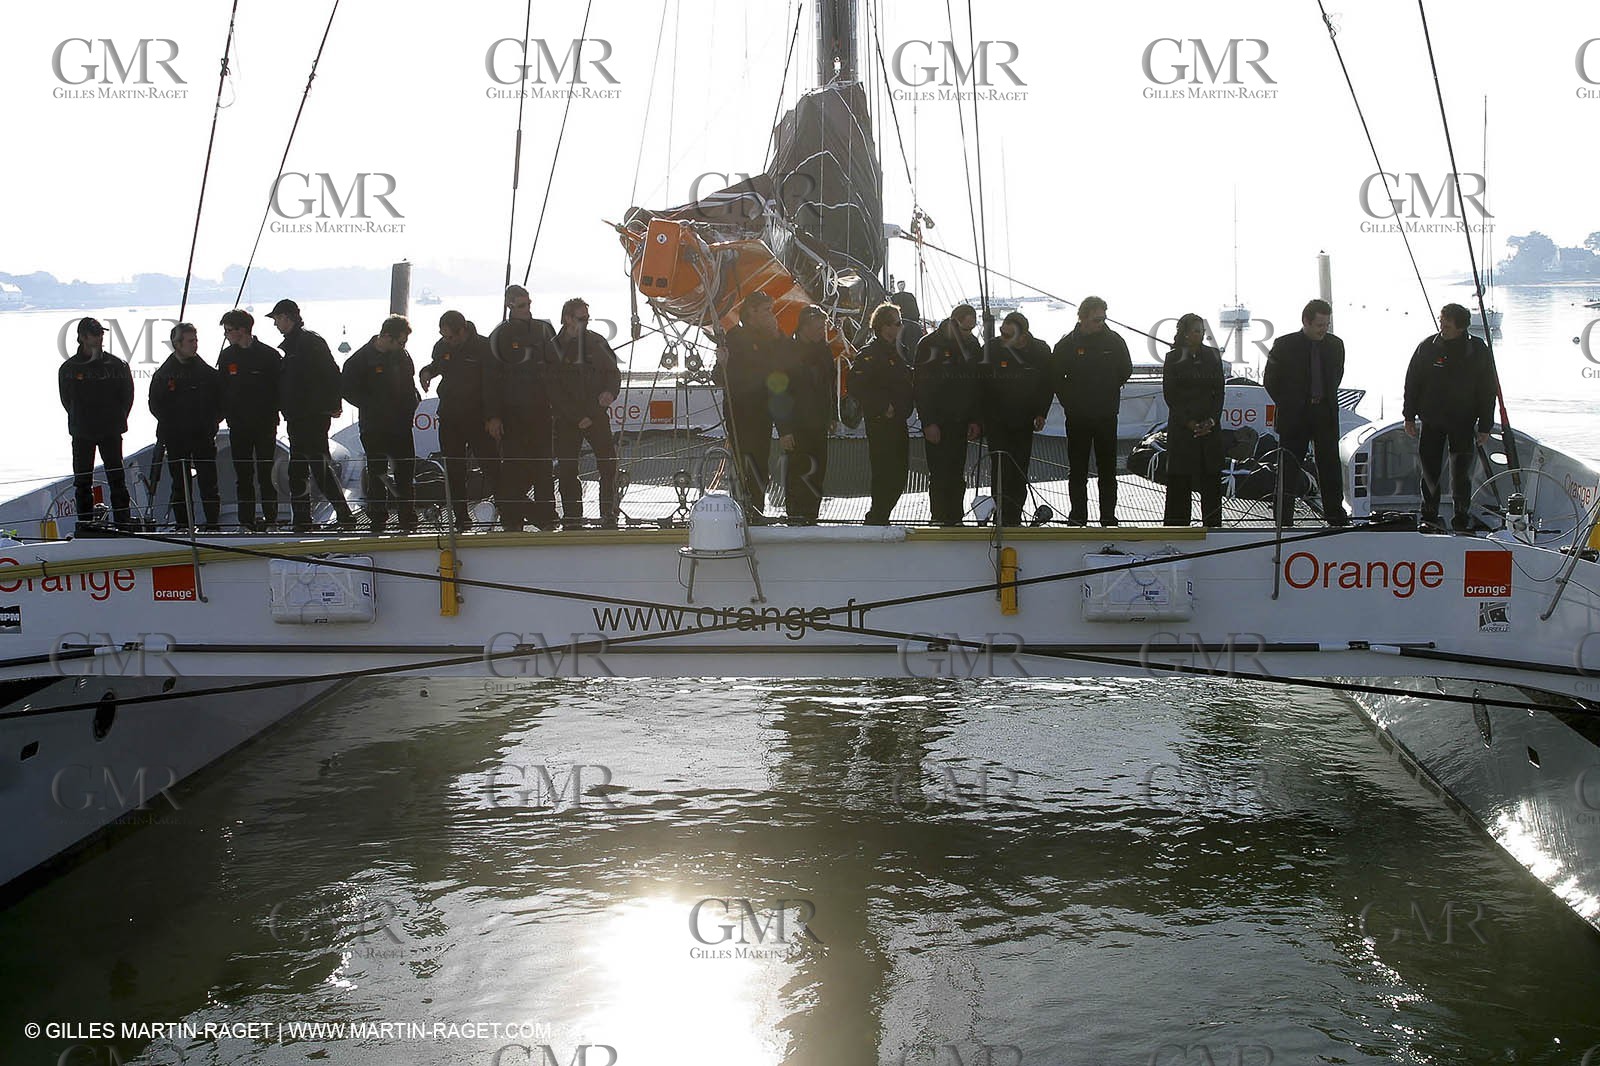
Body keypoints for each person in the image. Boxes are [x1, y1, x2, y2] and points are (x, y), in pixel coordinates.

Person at [1403, 302, 1497, 531]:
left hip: (1464, 422)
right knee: (1429, 471)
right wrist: (1409, 415)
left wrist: (1485, 425)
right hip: (1432, 420)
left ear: (1461, 326)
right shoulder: (1428, 346)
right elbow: (1412, 382)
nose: (1441, 325)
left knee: (1461, 472)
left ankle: (1461, 517)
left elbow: (1488, 389)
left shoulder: (1477, 350)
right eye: (1441, 320)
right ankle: (1429, 515)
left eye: (1446, 322)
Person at [270, 298, 356, 533]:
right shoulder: (294, 344)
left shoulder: (309, 342)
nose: (276, 325)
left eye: (277, 319)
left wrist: (332, 405)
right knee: (299, 468)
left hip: (312, 415)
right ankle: (302, 518)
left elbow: (331, 373)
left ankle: (343, 514)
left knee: (317, 465)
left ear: (287, 317)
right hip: (297, 416)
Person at [1264, 298, 1349, 527]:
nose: (1324, 329)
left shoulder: (1335, 345)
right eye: (1320, 325)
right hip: (1295, 416)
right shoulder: (1284, 345)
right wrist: (1292, 403)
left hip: (1324, 412)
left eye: (1326, 324)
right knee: (1289, 468)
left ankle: (1335, 515)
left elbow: (1336, 376)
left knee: (1330, 467)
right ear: (1306, 322)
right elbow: (1271, 381)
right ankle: (1283, 518)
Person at [483, 285, 560, 530]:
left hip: (541, 409)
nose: (527, 309)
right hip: (512, 412)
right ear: (510, 306)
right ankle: (513, 518)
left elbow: (557, 365)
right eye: (521, 305)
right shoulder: (500, 335)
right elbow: (490, 379)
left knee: (544, 466)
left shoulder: (544, 329)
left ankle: (546, 516)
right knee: (514, 467)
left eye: (528, 304)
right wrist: (493, 416)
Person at [1052, 296, 1133, 526]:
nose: (1101, 323)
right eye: (1097, 319)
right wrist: (1072, 401)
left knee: (1107, 470)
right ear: (1083, 318)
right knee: (1077, 470)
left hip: (1106, 414)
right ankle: (1078, 515)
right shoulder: (1066, 344)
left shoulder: (1114, 341)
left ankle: (1108, 515)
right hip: (1078, 416)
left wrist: (1107, 388)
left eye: (1103, 319)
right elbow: (1056, 378)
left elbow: (1125, 369)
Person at [341, 314, 421, 534]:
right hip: (374, 426)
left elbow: (409, 385)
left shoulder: (402, 356)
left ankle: (407, 517)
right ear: (386, 336)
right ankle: (378, 518)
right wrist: (372, 405)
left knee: (405, 471)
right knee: (378, 473)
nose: (403, 346)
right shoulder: (359, 360)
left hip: (400, 425)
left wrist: (412, 403)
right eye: (400, 342)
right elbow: (347, 390)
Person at [420, 310, 495, 531]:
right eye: (443, 336)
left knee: (490, 465)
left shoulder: (483, 347)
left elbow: (492, 385)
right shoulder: (442, 347)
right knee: (453, 469)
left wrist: (493, 417)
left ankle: (507, 510)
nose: (446, 341)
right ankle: (461, 517)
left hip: (478, 418)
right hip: (450, 416)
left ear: (462, 330)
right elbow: (436, 366)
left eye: (450, 337)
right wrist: (426, 372)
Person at [550, 297, 622, 527]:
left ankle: (608, 513)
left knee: (608, 465)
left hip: (596, 415)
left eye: (588, 319)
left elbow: (613, 374)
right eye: (581, 319)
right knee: (568, 469)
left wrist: (610, 394)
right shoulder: (553, 348)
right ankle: (572, 517)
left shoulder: (597, 342)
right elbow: (552, 389)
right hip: (567, 419)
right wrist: (576, 416)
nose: (586, 323)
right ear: (568, 319)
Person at [58, 317, 133, 531]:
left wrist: (117, 418)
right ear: (82, 337)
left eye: (101, 333)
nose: (100, 338)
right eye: (95, 333)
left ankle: (123, 521)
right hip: (82, 432)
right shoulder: (69, 368)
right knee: (82, 482)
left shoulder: (117, 365)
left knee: (117, 478)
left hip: (111, 430)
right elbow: (66, 400)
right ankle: (86, 523)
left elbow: (127, 396)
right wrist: (81, 419)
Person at [981, 310, 1053, 526]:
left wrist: (1042, 412)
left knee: (1019, 467)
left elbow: (1047, 384)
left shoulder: (1040, 351)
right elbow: (980, 385)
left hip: (1024, 419)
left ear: (1023, 337)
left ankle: (1015, 514)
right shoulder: (992, 349)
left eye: (1008, 335)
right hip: (997, 420)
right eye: (1002, 333)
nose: (1002, 338)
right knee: (1000, 468)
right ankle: (1001, 514)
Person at [718, 291, 787, 517]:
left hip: (762, 412)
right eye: (767, 310)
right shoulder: (735, 337)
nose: (771, 315)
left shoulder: (771, 339)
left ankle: (756, 509)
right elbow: (719, 376)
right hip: (741, 412)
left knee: (759, 464)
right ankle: (742, 510)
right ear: (752, 312)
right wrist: (723, 364)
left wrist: (777, 337)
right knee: (744, 464)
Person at [149, 323, 223, 530]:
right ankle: (183, 525)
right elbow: (155, 404)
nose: (195, 345)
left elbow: (220, 401)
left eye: (196, 341)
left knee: (209, 483)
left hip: (203, 435)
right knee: (180, 485)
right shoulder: (164, 375)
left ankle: (213, 524)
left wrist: (211, 423)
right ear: (177, 344)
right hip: (176, 438)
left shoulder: (207, 373)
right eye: (190, 341)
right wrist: (172, 425)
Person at [913, 303, 982, 525]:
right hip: (938, 420)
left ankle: (955, 516)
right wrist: (928, 421)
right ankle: (938, 515)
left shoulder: (972, 346)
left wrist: (975, 419)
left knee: (956, 471)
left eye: (971, 329)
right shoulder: (929, 344)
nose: (968, 334)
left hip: (961, 420)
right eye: (965, 329)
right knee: (939, 471)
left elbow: (976, 384)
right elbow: (921, 386)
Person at [848, 302, 914, 525]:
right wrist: (882, 405)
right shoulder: (870, 354)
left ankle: (881, 514)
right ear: (885, 326)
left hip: (898, 421)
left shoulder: (899, 352)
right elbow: (856, 385)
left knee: (899, 473)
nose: (900, 327)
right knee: (884, 471)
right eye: (897, 323)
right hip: (881, 422)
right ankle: (877, 516)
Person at [218, 308, 283, 531]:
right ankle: (245, 521)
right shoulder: (227, 357)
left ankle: (271, 519)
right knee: (243, 476)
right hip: (238, 425)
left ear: (242, 330)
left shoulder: (269, 356)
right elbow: (222, 387)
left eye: (229, 330)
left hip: (265, 424)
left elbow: (279, 389)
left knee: (266, 474)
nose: (226, 335)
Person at [1161, 313, 1226, 528]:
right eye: (1197, 330)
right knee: (1179, 482)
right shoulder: (1172, 358)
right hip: (1182, 430)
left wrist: (1212, 421)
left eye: (1202, 330)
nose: (1201, 334)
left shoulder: (1213, 356)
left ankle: (1213, 527)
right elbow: (1171, 396)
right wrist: (1189, 422)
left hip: (1209, 429)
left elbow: (1219, 392)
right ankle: (1177, 529)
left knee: (1211, 481)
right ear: (1186, 334)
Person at [778, 304, 836, 524]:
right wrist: (784, 430)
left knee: (817, 472)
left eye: (823, 326)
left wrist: (832, 417)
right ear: (804, 327)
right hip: (796, 425)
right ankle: (795, 515)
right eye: (818, 326)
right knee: (797, 474)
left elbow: (830, 385)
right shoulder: (788, 351)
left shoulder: (824, 351)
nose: (822, 330)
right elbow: (778, 392)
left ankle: (812, 515)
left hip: (819, 424)